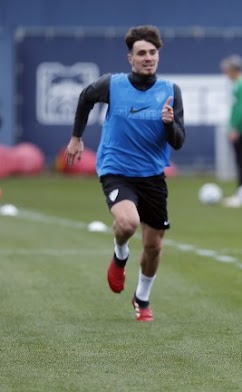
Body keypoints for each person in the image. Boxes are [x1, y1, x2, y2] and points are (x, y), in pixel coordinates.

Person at [64, 25, 185, 322]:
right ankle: (120, 254)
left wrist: (169, 123)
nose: (148, 58)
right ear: (130, 58)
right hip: (116, 170)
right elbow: (85, 97)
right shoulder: (113, 85)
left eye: (152, 53)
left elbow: (179, 142)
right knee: (128, 223)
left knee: (154, 246)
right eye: (141, 53)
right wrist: (77, 137)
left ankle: (142, 298)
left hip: (153, 175)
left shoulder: (170, 91)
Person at [220, 54, 242, 206]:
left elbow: (240, 109)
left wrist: (234, 127)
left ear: (234, 70)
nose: (226, 74)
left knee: (241, 160)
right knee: (241, 160)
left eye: (227, 70)